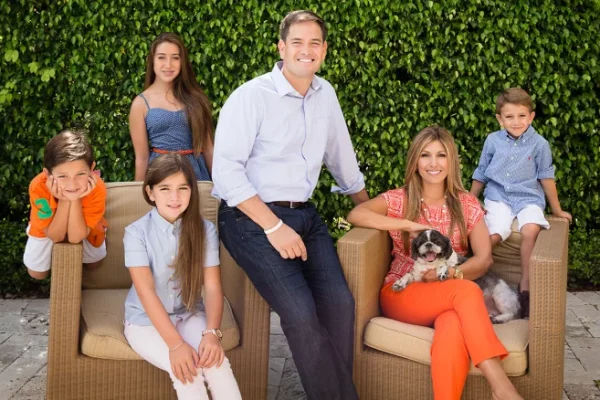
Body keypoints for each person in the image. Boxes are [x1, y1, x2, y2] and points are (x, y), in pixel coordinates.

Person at [212, 10, 368, 400]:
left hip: (304, 215)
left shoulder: (325, 94)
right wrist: (273, 227)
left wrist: (368, 212)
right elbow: (227, 175)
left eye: (315, 42)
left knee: (339, 306)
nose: (306, 50)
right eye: (297, 42)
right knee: (300, 313)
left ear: (325, 50)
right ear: (281, 48)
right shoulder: (251, 97)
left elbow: (342, 161)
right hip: (247, 217)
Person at [347, 126, 523, 400]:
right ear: (415, 161)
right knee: (466, 290)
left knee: (452, 323)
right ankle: (501, 387)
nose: (433, 163)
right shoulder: (399, 199)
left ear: (451, 161)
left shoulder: (466, 204)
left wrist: (451, 272)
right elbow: (357, 213)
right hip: (403, 293)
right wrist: (407, 224)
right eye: (425, 155)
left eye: (441, 155)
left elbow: (484, 259)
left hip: (445, 296)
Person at [123, 154, 241, 400]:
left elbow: (211, 287)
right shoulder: (135, 233)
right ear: (151, 192)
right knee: (188, 372)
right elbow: (146, 293)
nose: (174, 197)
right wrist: (176, 346)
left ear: (192, 192)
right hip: (145, 322)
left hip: (189, 313)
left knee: (216, 363)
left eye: (182, 188)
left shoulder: (204, 230)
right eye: (165, 188)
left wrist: (212, 333)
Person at [470, 88, 572, 318]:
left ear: (531, 116)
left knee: (530, 229)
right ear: (500, 119)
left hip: (528, 198)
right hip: (498, 196)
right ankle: (476, 269)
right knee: (497, 230)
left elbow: (546, 176)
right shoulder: (493, 141)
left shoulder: (539, 144)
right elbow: (482, 171)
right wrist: (469, 199)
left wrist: (556, 209)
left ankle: (525, 286)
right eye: (509, 117)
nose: (516, 122)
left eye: (522, 116)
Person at [129, 32, 214, 182]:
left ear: (182, 62)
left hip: (196, 175)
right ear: (152, 61)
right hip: (161, 174)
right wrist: (139, 195)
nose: (168, 64)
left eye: (175, 58)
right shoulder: (140, 103)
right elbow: (142, 158)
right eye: (161, 57)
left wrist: (222, 187)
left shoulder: (196, 98)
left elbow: (208, 149)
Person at [23, 130, 107, 280]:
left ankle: (97, 227)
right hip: (48, 225)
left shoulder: (97, 188)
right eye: (62, 176)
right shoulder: (38, 187)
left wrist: (74, 199)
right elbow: (55, 236)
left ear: (91, 169)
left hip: (84, 225)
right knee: (37, 273)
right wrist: (64, 200)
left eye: (80, 174)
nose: (72, 184)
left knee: (94, 264)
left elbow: (75, 238)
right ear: (48, 174)